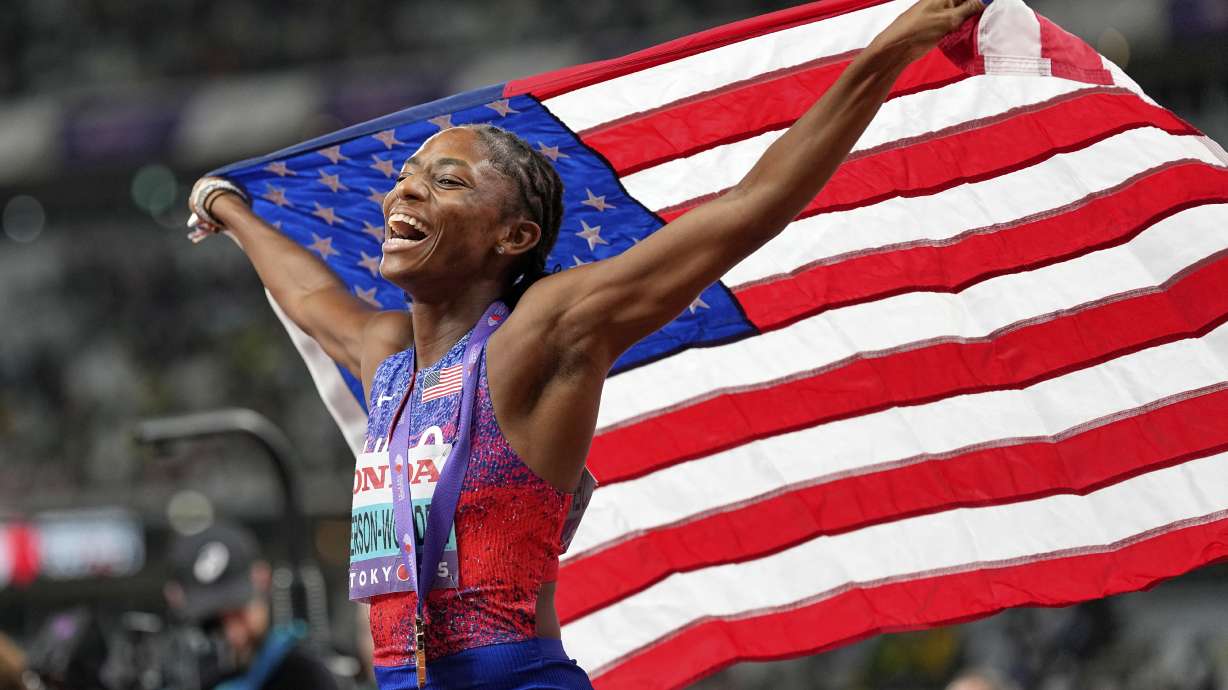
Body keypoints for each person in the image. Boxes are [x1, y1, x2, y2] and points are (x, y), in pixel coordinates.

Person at [186, 1, 985, 686]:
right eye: (408, 175)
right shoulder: (385, 356)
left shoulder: (542, 334)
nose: (406, 189)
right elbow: (309, 294)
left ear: (515, 236)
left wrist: (883, 54)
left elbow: (748, 209)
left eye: (448, 180)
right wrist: (229, 206)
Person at [165, 522, 339, 690]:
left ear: (262, 579)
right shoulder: (195, 675)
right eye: (215, 622)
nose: (233, 633)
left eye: (239, 613)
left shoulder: (301, 674)